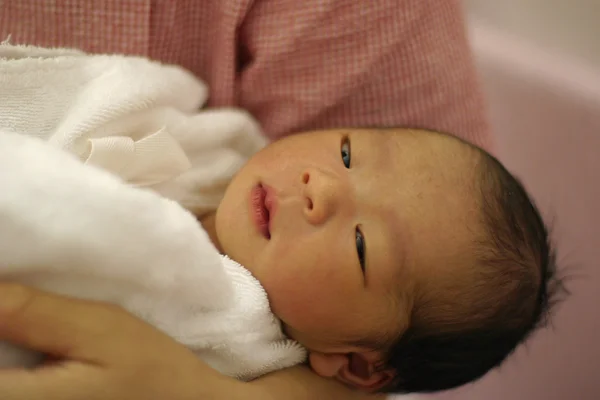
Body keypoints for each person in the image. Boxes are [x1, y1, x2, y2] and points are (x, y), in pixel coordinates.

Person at [0, 0, 496, 399]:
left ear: (357, 365)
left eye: (363, 244)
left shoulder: (239, 342)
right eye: (346, 153)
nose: (318, 185)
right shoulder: (217, 149)